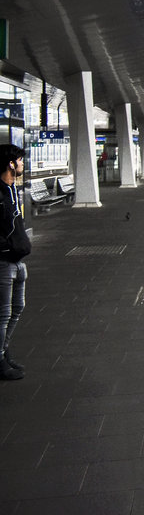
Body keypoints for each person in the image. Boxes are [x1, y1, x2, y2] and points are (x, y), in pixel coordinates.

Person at [0, 144, 31, 381]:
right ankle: (0, 360)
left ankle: (3, 350)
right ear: (11, 163)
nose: (22, 164)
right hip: (3, 261)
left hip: (18, 260)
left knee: (17, 309)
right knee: (3, 313)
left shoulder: (12, 189)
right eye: (20, 160)